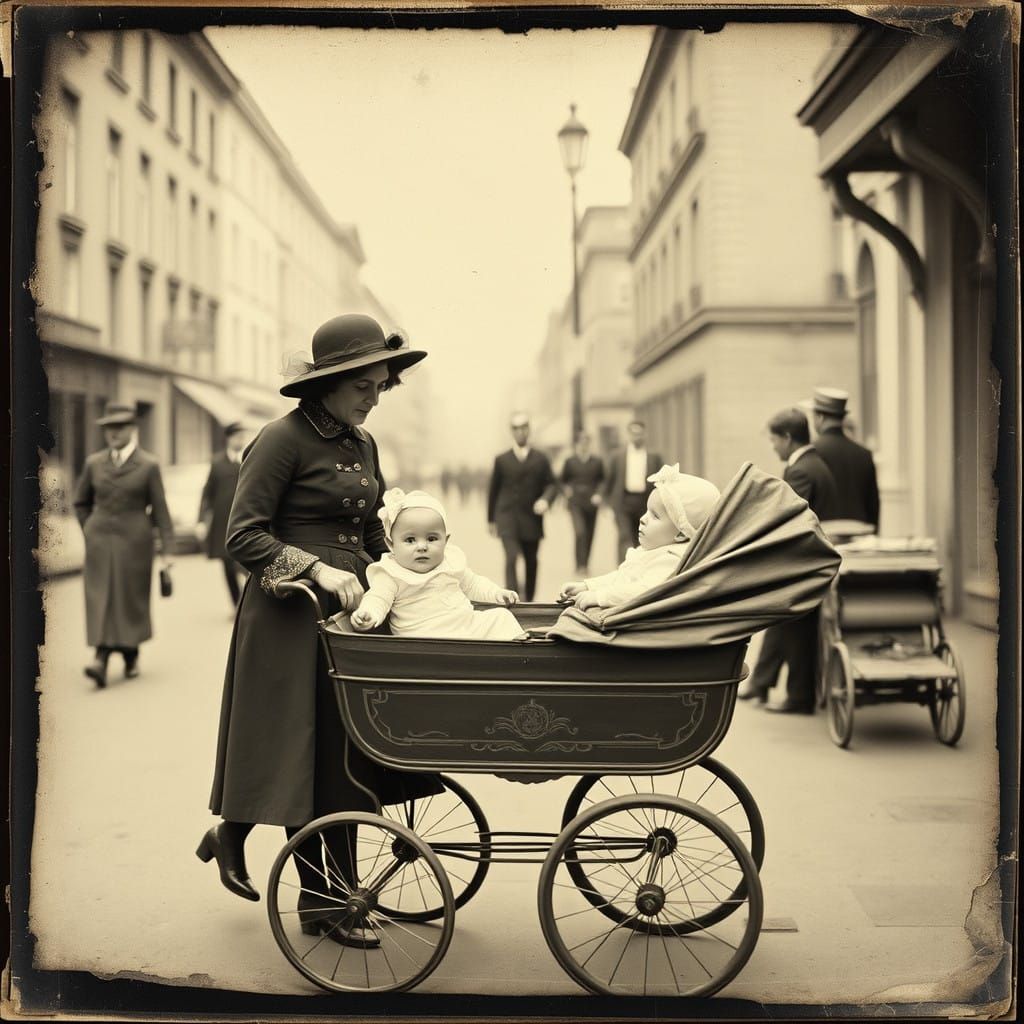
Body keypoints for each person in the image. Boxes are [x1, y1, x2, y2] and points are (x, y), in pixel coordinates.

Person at [197, 313, 444, 950]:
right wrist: (317, 570)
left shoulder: (362, 444)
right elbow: (242, 536)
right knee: (310, 757)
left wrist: (411, 575)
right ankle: (321, 902)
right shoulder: (280, 440)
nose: (374, 397)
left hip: (354, 617)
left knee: (350, 757)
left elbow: (368, 535)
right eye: (364, 385)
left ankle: (264, 849)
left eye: (381, 386)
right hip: (289, 616)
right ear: (328, 383)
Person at [738, 407, 839, 712]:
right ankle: (767, 685)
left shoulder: (799, 470)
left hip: (800, 564)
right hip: (811, 562)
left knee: (794, 627)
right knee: (789, 624)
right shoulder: (817, 464)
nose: (773, 446)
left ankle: (797, 696)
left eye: (774, 439)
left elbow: (791, 521)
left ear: (787, 437)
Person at [72, 401, 173, 688]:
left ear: (132, 429)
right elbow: (81, 503)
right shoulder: (94, 463)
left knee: (129, 599)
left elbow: (161, 512)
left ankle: (130, 653)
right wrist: (90, 530)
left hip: (135, 542)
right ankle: (100, 658)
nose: (113, 433)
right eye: (108, 428)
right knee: (101, 595)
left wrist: (167, 553)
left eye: (119, 427)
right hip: (100, 541)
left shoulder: (149, 465)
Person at [348, 488, 522, 638]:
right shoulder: (391, 573)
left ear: (445, 541)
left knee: (501, 617)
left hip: (465, 627)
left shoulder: (449, 563)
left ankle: (521, 659)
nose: (422, 546)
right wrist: (369, 613)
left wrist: (496, 593)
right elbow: (378, 598)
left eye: (432, 539)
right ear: (390, 544)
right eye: (410, 540)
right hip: (424, 638)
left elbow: (473, 584)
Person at [560, 464, 720, 610]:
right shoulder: (651, 551)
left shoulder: (671, 559)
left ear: (681, 533)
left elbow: (643, 590)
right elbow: (622, 577)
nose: (643, 518)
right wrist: (588, 586)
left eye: (655, 516)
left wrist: (600, 596)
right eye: (647, 511)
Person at [486, 413, 559, 602]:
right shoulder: (501, 459)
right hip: (507, 517)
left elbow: (552, 484)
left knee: (531, 561)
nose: (520, 432)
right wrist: (491, 520)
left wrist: (545, 500)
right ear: (512, 432)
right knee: (511, 557)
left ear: (529, 430)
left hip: (531, 518)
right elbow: (493, 490)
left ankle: (529, 599)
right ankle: (513, 597)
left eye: (524, 428)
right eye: (516, 429)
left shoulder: (541, 458)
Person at [809, 386, 880, 530]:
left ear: (820, 417)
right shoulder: (864, 454)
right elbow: (873, 503)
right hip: (861, 533)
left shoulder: (811, 451)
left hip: (824, 535)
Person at [197, 421, 251, 607]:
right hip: (222, 523)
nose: (241, 440)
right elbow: (207, 493)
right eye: (237, 436)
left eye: (242, 436)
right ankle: (236, 603)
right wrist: (201, 521)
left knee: (245, 564)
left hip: (245, 521)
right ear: (228, 439)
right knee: (227, 565)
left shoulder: (249, 459)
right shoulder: (217, 462)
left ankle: (247, 601)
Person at [603, 420, 663, 562]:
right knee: (624, 536)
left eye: (640, 433)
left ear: (645, 434)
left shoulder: (654, 457)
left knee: (642, 537)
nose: (637, 437)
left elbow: (660, 481)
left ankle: (638, 567)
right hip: (623, 501)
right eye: (634, 433)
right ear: (629, 434)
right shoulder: (617, 456)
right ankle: (622, 569)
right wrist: (606, 504)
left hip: (645, 502)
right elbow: (609, 481)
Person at [560, 431, 605, 576]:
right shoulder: (570, 461)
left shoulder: (597, 461)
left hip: (592, 502)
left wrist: (599, 494)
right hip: (575, 502)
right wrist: (566, 490)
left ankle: (585, 564)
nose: (584, 445)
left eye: (586, 442)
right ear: (577, 444)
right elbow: (562, 480)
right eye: (581, 442)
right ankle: (579, 565)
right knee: (580, 532)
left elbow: (603, 480)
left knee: (590, 534)